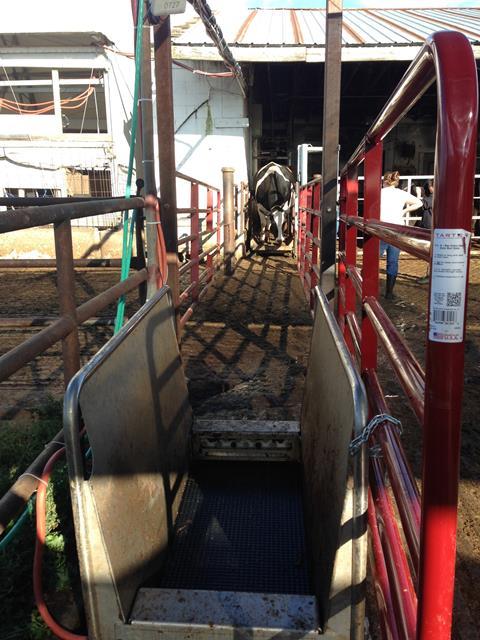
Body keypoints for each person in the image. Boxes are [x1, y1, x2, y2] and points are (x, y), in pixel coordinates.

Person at [380, 171, 422, 299]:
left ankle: (365, 286)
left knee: (373, 257)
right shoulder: (401, 194)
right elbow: (419, 203)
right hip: (397, 228)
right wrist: (404, 210)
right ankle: (389, 292)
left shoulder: (379, 193)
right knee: (393, 261)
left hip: (381, 227)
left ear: (384, 181)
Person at [417, 180, 433, 284]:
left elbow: (422, 206)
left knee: (431, 253)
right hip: (431, 225)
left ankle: (430, 276)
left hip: (430, 226)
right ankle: (430, 275)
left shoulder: (432, 198)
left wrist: (420, 195)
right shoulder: (433, 197)